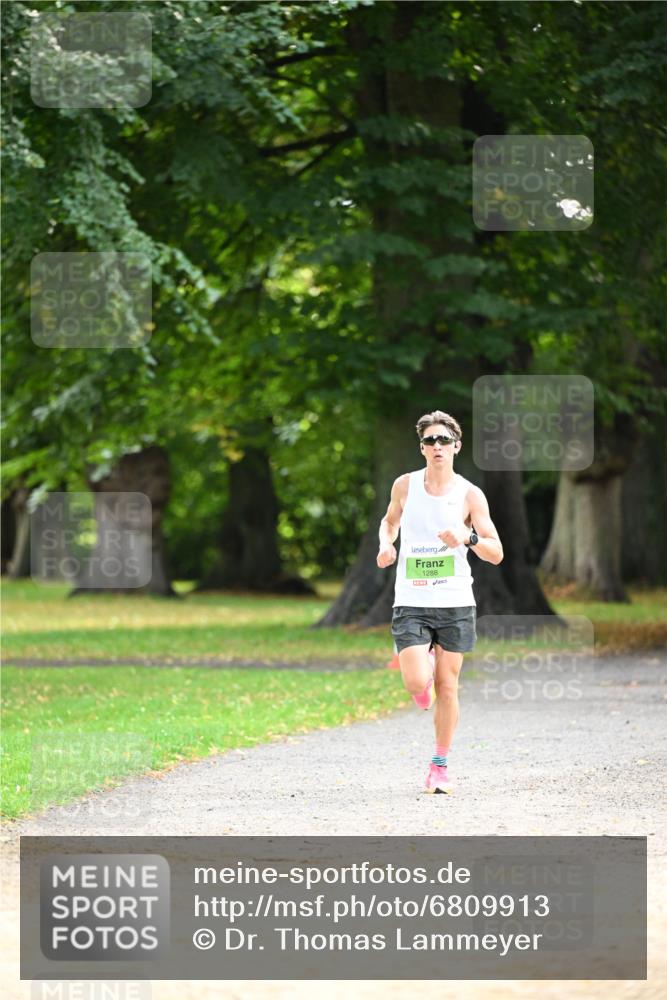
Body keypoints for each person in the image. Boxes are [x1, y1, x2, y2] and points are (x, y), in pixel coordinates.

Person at [376, 410, 503, 794]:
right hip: (412, 599)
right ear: (422, 448)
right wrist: (386, 544)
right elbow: (389, 521)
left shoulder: (469, 494)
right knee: (417, 681)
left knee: (448, 687)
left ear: (456, 447)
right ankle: (421, 668)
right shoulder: (405, 485)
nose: (437, 447)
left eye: (444, 441)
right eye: (430, 441)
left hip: (455, 602)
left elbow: (495, 552)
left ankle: (440, 766)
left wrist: (467, 538)